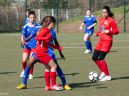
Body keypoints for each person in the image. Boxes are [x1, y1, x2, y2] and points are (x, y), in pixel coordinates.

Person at [17, 16, 63, 91]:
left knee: (48, 68)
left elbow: (48, 43)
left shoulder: (49, 31)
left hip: (42, 52)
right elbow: (38, 37)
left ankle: (48, 86)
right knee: (54, 66)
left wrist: (57, 48)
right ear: (51, 23)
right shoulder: (44, 30)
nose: (55, 25)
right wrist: (25, 41)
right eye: (54, 24)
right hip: (40, 52)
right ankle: (53, 85)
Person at [92, 6, 119, 81]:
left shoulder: (111, 21)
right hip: (101, 41)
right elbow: (102, 30)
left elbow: (116, 31)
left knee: (101, 58)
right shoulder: (101, 20)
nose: (104, 13)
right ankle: (103, 72)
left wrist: (109, 31)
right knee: (94, 57)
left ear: (108, 12)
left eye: (105, 12)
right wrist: (97, 33)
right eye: (103, 12)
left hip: (107, 41)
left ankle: (107, 76)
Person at [20, 11, 38, 79]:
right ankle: (24, 71)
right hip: (27, 46)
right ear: (28, 18)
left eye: (33, 17)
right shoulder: (25, 26)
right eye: (31, 17)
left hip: (34, 46)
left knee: (31, 60)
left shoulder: (37, 26)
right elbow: (22, 35)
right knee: (24, 60)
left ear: (35, 18)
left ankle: (30, 73)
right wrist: (22, 41)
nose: (32, 19)